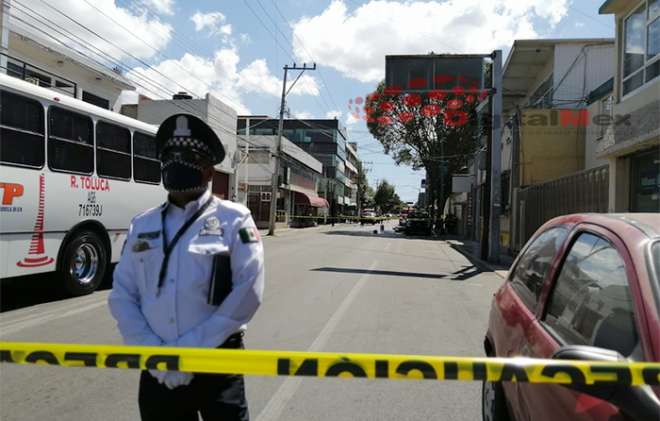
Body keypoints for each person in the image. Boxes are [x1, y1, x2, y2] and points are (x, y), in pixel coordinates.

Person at [108, 113, 264, 421]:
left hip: (218, 363)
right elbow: (123, 295)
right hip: (158, 369)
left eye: (188, 158)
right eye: (169, 157)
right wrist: (153, 354)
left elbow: (249, 292)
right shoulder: (143, 224)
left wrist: (190, 352)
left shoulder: (235, 220)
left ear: (208, 171)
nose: (176, 164)